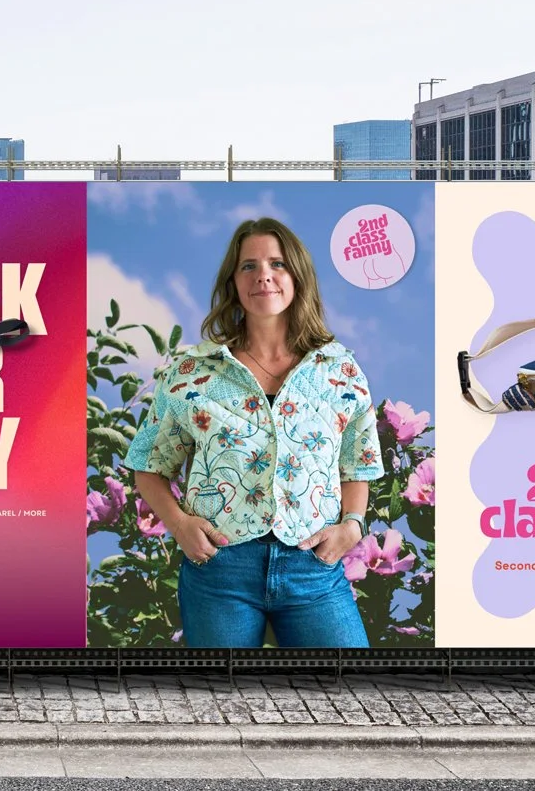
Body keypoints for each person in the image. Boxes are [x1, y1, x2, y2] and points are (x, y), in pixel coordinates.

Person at [125, 217, 382, 648]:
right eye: (249, 266)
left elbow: (357, 464)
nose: (263, 274)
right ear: (233, 282)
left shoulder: (339, 369)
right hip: (220, 569)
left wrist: (352, 528)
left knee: (351, 697)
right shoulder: (192, 372)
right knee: (221, 708)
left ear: (297, 277)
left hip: (312, 566)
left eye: (277, 263)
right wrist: (180, 525)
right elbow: (148, 465)